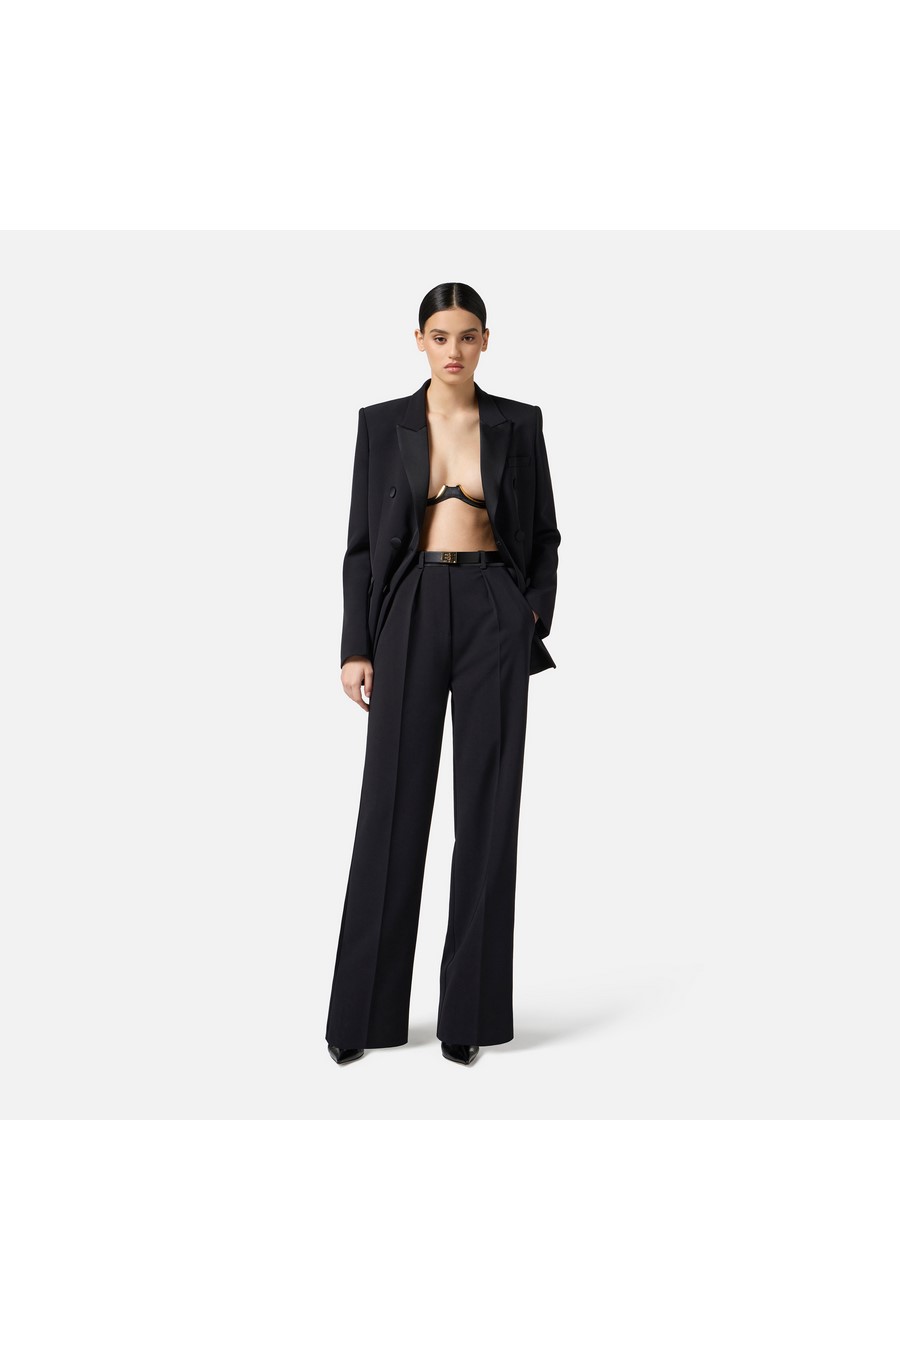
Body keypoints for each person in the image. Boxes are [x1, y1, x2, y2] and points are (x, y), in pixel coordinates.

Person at [325, 281, 561, 1066]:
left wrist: (530, 612)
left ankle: (470, 1013)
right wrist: (357, 646)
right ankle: (363, 1014)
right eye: (439, 335)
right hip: (411, 608)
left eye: (467, 336)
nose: (453, 350)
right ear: (419, 340)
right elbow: (361, 547)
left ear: (486, 341)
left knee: (488, 810)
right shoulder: (381, 423)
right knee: (390, 806)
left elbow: (545, 534)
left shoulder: (519, 423)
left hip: (494, 606)